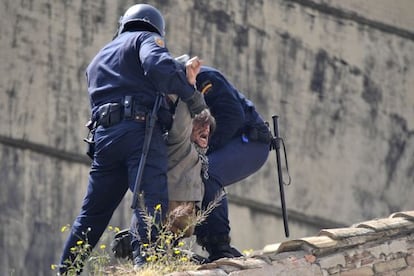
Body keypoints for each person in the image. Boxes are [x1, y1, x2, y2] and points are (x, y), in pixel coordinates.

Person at [57, 4, 207, 274]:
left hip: (104, 138)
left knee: (92, 213)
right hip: (139, 131)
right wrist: (191, 95)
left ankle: (67, 270)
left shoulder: (99, 57)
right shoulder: (145, 39)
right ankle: (147, 264)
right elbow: (157, 64)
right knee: (150, 199)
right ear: (155, 27)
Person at [193, 65, 272, 262]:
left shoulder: (204, 79)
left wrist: (205, 151)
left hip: (250, 142)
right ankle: (205, 240)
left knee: (206, 172)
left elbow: (232, 116)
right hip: (229, 142)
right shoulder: (168, 93)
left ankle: (221, 245)